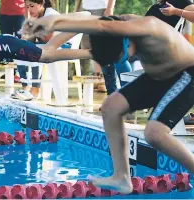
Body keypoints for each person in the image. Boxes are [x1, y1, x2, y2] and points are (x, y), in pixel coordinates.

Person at [22, 14, 194, 194]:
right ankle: (122, 177)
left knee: (155, 133)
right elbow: (96, 24)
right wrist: (54, 26)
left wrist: (54, 22)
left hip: (187, 73)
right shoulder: (118, 27)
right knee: (110, 107)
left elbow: (104, 27)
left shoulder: (147, 26)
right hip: (158, 76)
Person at [14, 0, 60, 100]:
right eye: (27, 7)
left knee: (34, 49)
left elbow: (48, 39)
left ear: (41, 3)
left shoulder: (50, 15)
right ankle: (25, 86)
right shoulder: (38, 15)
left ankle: (35, 88)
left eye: (32, 6)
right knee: (20, 47)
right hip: (47, 44)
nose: (30, 9)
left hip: (63, 44)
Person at [0, 0, 28, 81]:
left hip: (20, 13)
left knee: (20, 43)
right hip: (4, 13)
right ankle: (12, 72)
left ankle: (22, 74)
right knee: (6, 41)